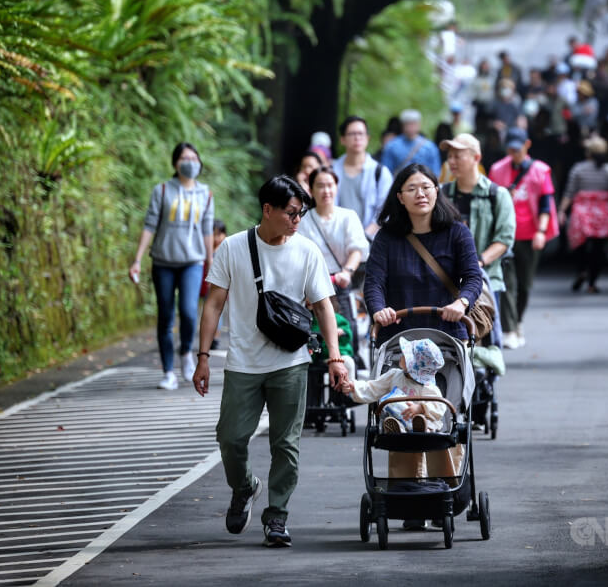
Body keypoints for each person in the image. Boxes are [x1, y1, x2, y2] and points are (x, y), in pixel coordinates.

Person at [193, 175, 348, 548]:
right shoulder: (233, 248)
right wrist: (202, 357)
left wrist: (335, 356)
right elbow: (214, 304)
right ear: (267, 209)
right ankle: (245, 486)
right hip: (243, 363)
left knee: (286, 445)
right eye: (291, 213)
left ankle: (276, 517)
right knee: (230, 438)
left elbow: (324, 306)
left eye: (301, 213)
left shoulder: (307, 251)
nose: (297, 220)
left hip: (291, 363)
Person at [364, 163, 482, 347]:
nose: (420, 194)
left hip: (448, 333)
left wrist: (462, 303)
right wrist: (379, 310)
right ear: (400, 197)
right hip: (398, 336)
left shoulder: (458, 232)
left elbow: (473, 277)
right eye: (412, 189)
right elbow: (374, 282)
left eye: (426, 187)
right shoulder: (386, 237)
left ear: (436, 191)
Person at [129, 142, 214, 391]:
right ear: (175, 163)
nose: (190, 162)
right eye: (185, 158)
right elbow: (149, 225)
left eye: (194, 158)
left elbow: (207, 229)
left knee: (188, 312)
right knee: (165, 316)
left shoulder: (205, 194)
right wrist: (137, 259)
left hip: (193, 262)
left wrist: (211, 262)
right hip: (163, 262)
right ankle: (168, 372)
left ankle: (186, 352)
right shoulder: (163, 190)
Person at [341, 337, 455, 478]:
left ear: (413, 365)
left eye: (405, 355)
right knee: (395, 420)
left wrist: (421, 408)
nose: (401, 355)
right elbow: (374, 387)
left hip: (424, 427)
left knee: (424, 421)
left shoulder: (428, 387)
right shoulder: (394, 375)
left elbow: (439, 406)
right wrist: (355, 386)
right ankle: (396, 428)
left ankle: (419, 427)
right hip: (400, 421)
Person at [440, 133, 516, 341]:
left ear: (476, 158)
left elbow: (504, 239)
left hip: (486, 282)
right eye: (450, 156)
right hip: (447, 284)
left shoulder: (497, 195)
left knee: (486, 344)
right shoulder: (442, 195)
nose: (452, 161)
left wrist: (477, 263)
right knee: (451, 345)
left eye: (458, 156)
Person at [488, 128, 559, 349]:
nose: (513, 153)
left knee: (525, 284)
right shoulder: (497, 169)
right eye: (510, 148)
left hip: (530, 235)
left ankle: (517, 321)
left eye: (517, 149)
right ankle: (509, 329)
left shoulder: (540, 170)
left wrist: (541, 231)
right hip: (505, 235)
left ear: (527, 145)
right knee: (508, 283)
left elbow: (546, 204)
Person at [298, 165, 369, 358]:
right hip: (310, 288)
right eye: (320, 186)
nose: (326, 190)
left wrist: (347, 272)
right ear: (311, 189)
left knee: (347, 334)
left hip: (339, 284)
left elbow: (357, 249)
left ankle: (347, 373)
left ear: (336, 187)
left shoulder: (348, 216)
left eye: (330, 185)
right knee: (311, 340)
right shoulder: (303, 220)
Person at [558, 135, 608, 293]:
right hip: (603, 213)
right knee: (599, 249)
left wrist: (562, 210)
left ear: (588, 152)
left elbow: (569, 192)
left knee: (579, 245)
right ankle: (592, 283)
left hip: (582, 212)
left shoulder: (578, 169)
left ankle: (581, 270)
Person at [333, 115, 393, 240]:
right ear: (342, 139)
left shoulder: (380, 172)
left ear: (367, 138)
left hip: (370, 242)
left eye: (361, 133)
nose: (357, 138)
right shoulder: (331, 171)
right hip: (336, 239)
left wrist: (363, 237)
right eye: (352, 134)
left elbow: (385, 211)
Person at [380, 109, 442, 177]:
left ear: (419, 124)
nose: (410, 127)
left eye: (413, 124)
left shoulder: (430, 147)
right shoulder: (392, 146)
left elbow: (435, 172)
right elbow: (386, 172)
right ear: (402, 125)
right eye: (408, 124)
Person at [199, 219, 227, 350]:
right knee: (208, 310)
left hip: (219, 286)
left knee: (217, 311)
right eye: (214, 235)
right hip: (206, 285)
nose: (216, 238)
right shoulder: (206, 251)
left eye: (219, 234)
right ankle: (209, 336)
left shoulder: (225, 249)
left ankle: (215, 337)